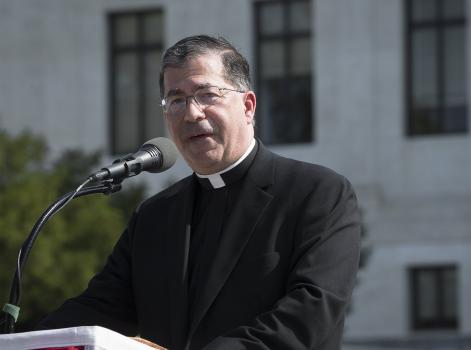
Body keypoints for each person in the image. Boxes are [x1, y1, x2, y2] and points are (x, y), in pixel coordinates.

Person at [37, 35, 361, 350]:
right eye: (176, 100)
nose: (192, 113)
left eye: (207, 94)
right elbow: (99, 308)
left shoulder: (317, 194)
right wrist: (22, 342)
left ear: (248, 106)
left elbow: (311, 311)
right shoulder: (155, 215)